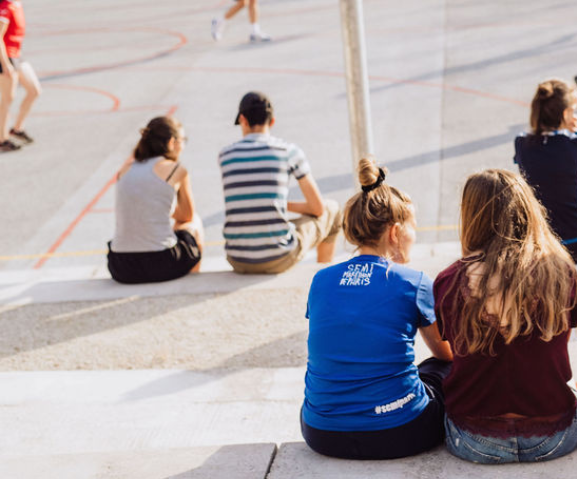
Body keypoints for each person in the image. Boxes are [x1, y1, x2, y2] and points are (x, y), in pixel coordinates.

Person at [301, 157, 454, 460]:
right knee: (443, 369)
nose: (414, 235)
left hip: (321, 433)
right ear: (394, 232)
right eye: (412, 227)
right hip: (399, 431)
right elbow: (446, 353)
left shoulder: (321, 280)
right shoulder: (413, 282)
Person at [434, 169, 577, 464]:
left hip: (472, 437)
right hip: (553, 435)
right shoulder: (561, 273)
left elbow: (455, 352)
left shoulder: (448, 281)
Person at [219, 91, 341, 274]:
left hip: (236, 258)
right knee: (333, 209)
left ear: (243, 120)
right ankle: (323, 279)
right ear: (272, 121)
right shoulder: (288, 152)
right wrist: (284, 205)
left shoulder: (226, 155)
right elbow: (318, 209)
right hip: (278, 257)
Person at [515, 79, 577, 264]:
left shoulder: (521, 143)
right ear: (565, 114)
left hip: (540, 242)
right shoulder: (576, 142)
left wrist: (566, 128)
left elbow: (541, 140)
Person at [107, 117, 204, 284]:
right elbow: (186, 216)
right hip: (161, 262)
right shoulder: (175, 170)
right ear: (172, 142)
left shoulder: (124, 169)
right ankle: (192, 283)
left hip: (120, 266)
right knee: (193, 223)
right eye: (183, 141)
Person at [0, 0, 41, 152]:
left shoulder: (16, 3)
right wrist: (6, 64)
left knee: (34, 90)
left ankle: (17, 128)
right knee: (8, 99)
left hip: (17, 55)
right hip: (7, 57)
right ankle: (2, 139)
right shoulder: (5, 8)